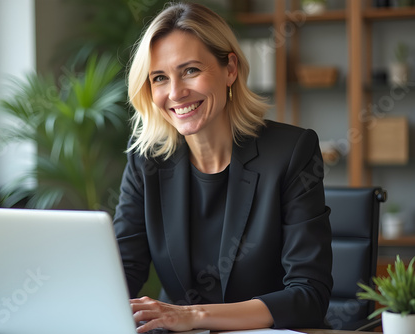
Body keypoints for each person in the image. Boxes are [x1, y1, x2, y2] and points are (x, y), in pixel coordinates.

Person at [113, 2, 333, 332]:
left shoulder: (290, 152)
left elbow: (308, 295)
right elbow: (119, 273)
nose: (176, 93)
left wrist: (194, 316)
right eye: (159, 78)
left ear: (230, 69)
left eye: (190, 70)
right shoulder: (146, 161)